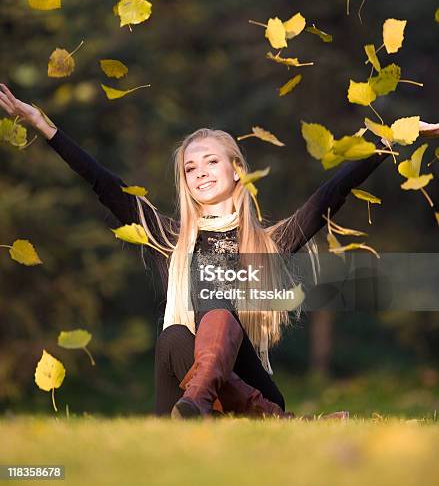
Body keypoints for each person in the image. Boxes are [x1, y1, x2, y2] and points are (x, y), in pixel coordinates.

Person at [1, 82, 438, 421]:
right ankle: (248, 416)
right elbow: (104, 184)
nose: (200, 173)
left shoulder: (270, 243)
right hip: (184, 399)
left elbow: (331, 193)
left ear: (236, 170)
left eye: (211, 161)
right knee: (174, 336)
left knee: (216, 317)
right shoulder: (170, 239)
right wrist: (46, 128)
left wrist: (390, 138)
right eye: (190, 167)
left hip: (248, 387)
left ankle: (221, 403)